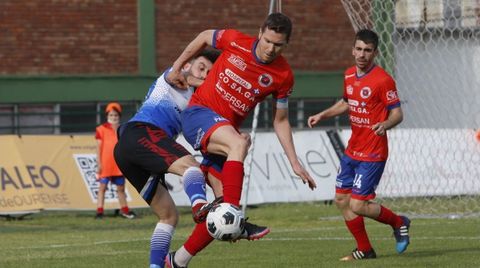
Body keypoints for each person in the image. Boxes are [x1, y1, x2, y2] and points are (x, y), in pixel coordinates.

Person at [165, 12, 317, 268]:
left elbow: (280, 120)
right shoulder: (235, 40)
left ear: (287, 44)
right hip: (199, 115)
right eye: (268, 41)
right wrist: (178, 66)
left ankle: (177, 261)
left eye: (278, 45)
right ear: (260, 33)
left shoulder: (283, 76)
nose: (270, 48)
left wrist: (294, 162)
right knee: (240, 144)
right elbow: (204, 36)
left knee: (220, 212)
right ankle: (237, 215)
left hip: (224, 134)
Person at [307, 29, 410, 261]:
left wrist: (385, 124)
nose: (362, 54)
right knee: (342, 200)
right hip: (352, 150)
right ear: (353, 50)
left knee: (358, 204)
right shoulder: (349, 75)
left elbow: (398, 114)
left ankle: (399, 222)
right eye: (359, 49)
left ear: (375, 53)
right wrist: (322, 115)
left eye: (368, 50)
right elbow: (346, 102)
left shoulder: (383, 80)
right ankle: (365, 249)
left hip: (373, 152)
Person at [113, 50, 220, 268]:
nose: (204, 74)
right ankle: (200, 206)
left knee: (168, 216)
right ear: (188, 64)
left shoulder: (199, 99)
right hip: (141, 132)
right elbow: (182, 75)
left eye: (209, 73)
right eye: (201, 67)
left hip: (129, 150)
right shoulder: (176, 76)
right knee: (191, 167)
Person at [95, 102, 136, 219]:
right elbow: (98, 148)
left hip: (119, 164)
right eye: (111, 115)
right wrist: (99, 163)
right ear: (107, 116)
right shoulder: (101, 129)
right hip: (106, 164)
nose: (113, 117)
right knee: (102, 188)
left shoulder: (123, 129)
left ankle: (125, 210)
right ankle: (99, 211)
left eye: (116, 115)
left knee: (121, 189)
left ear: (119, 116)